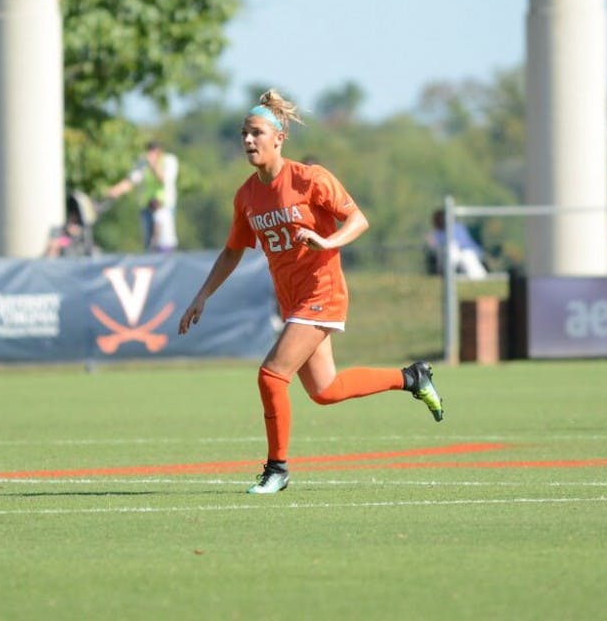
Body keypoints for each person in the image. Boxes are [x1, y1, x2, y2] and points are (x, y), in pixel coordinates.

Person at [178, 89, 445, 495]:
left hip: (322, 290)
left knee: (271, 376)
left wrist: (329, 242)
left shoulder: (309, 179)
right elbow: (233, 251)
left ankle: (277, 469)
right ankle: (412, 377)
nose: (248, 141)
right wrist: (202, 295)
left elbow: (358, 220)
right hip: (292, 301)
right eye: (244, 134)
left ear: (279, 138)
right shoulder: (247, 196)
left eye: (256, 133)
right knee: (325, 391)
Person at [104, 140, 178, 251]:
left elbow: (163, 179)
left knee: (164, 239)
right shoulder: (143, 163)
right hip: (147, 207)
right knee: (148, 242)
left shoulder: (169, 161)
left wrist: (154, 164)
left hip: (163, 206)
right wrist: (115, 190)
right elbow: (131, 181)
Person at [425, 208, 488, 278]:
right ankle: (448, 278)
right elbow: (434, 247)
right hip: (448, 257)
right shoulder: (437, 232)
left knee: (466, 255)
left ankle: (479, 278)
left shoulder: (457, 227)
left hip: (466, 252)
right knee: (452, 249)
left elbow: (464, 244)